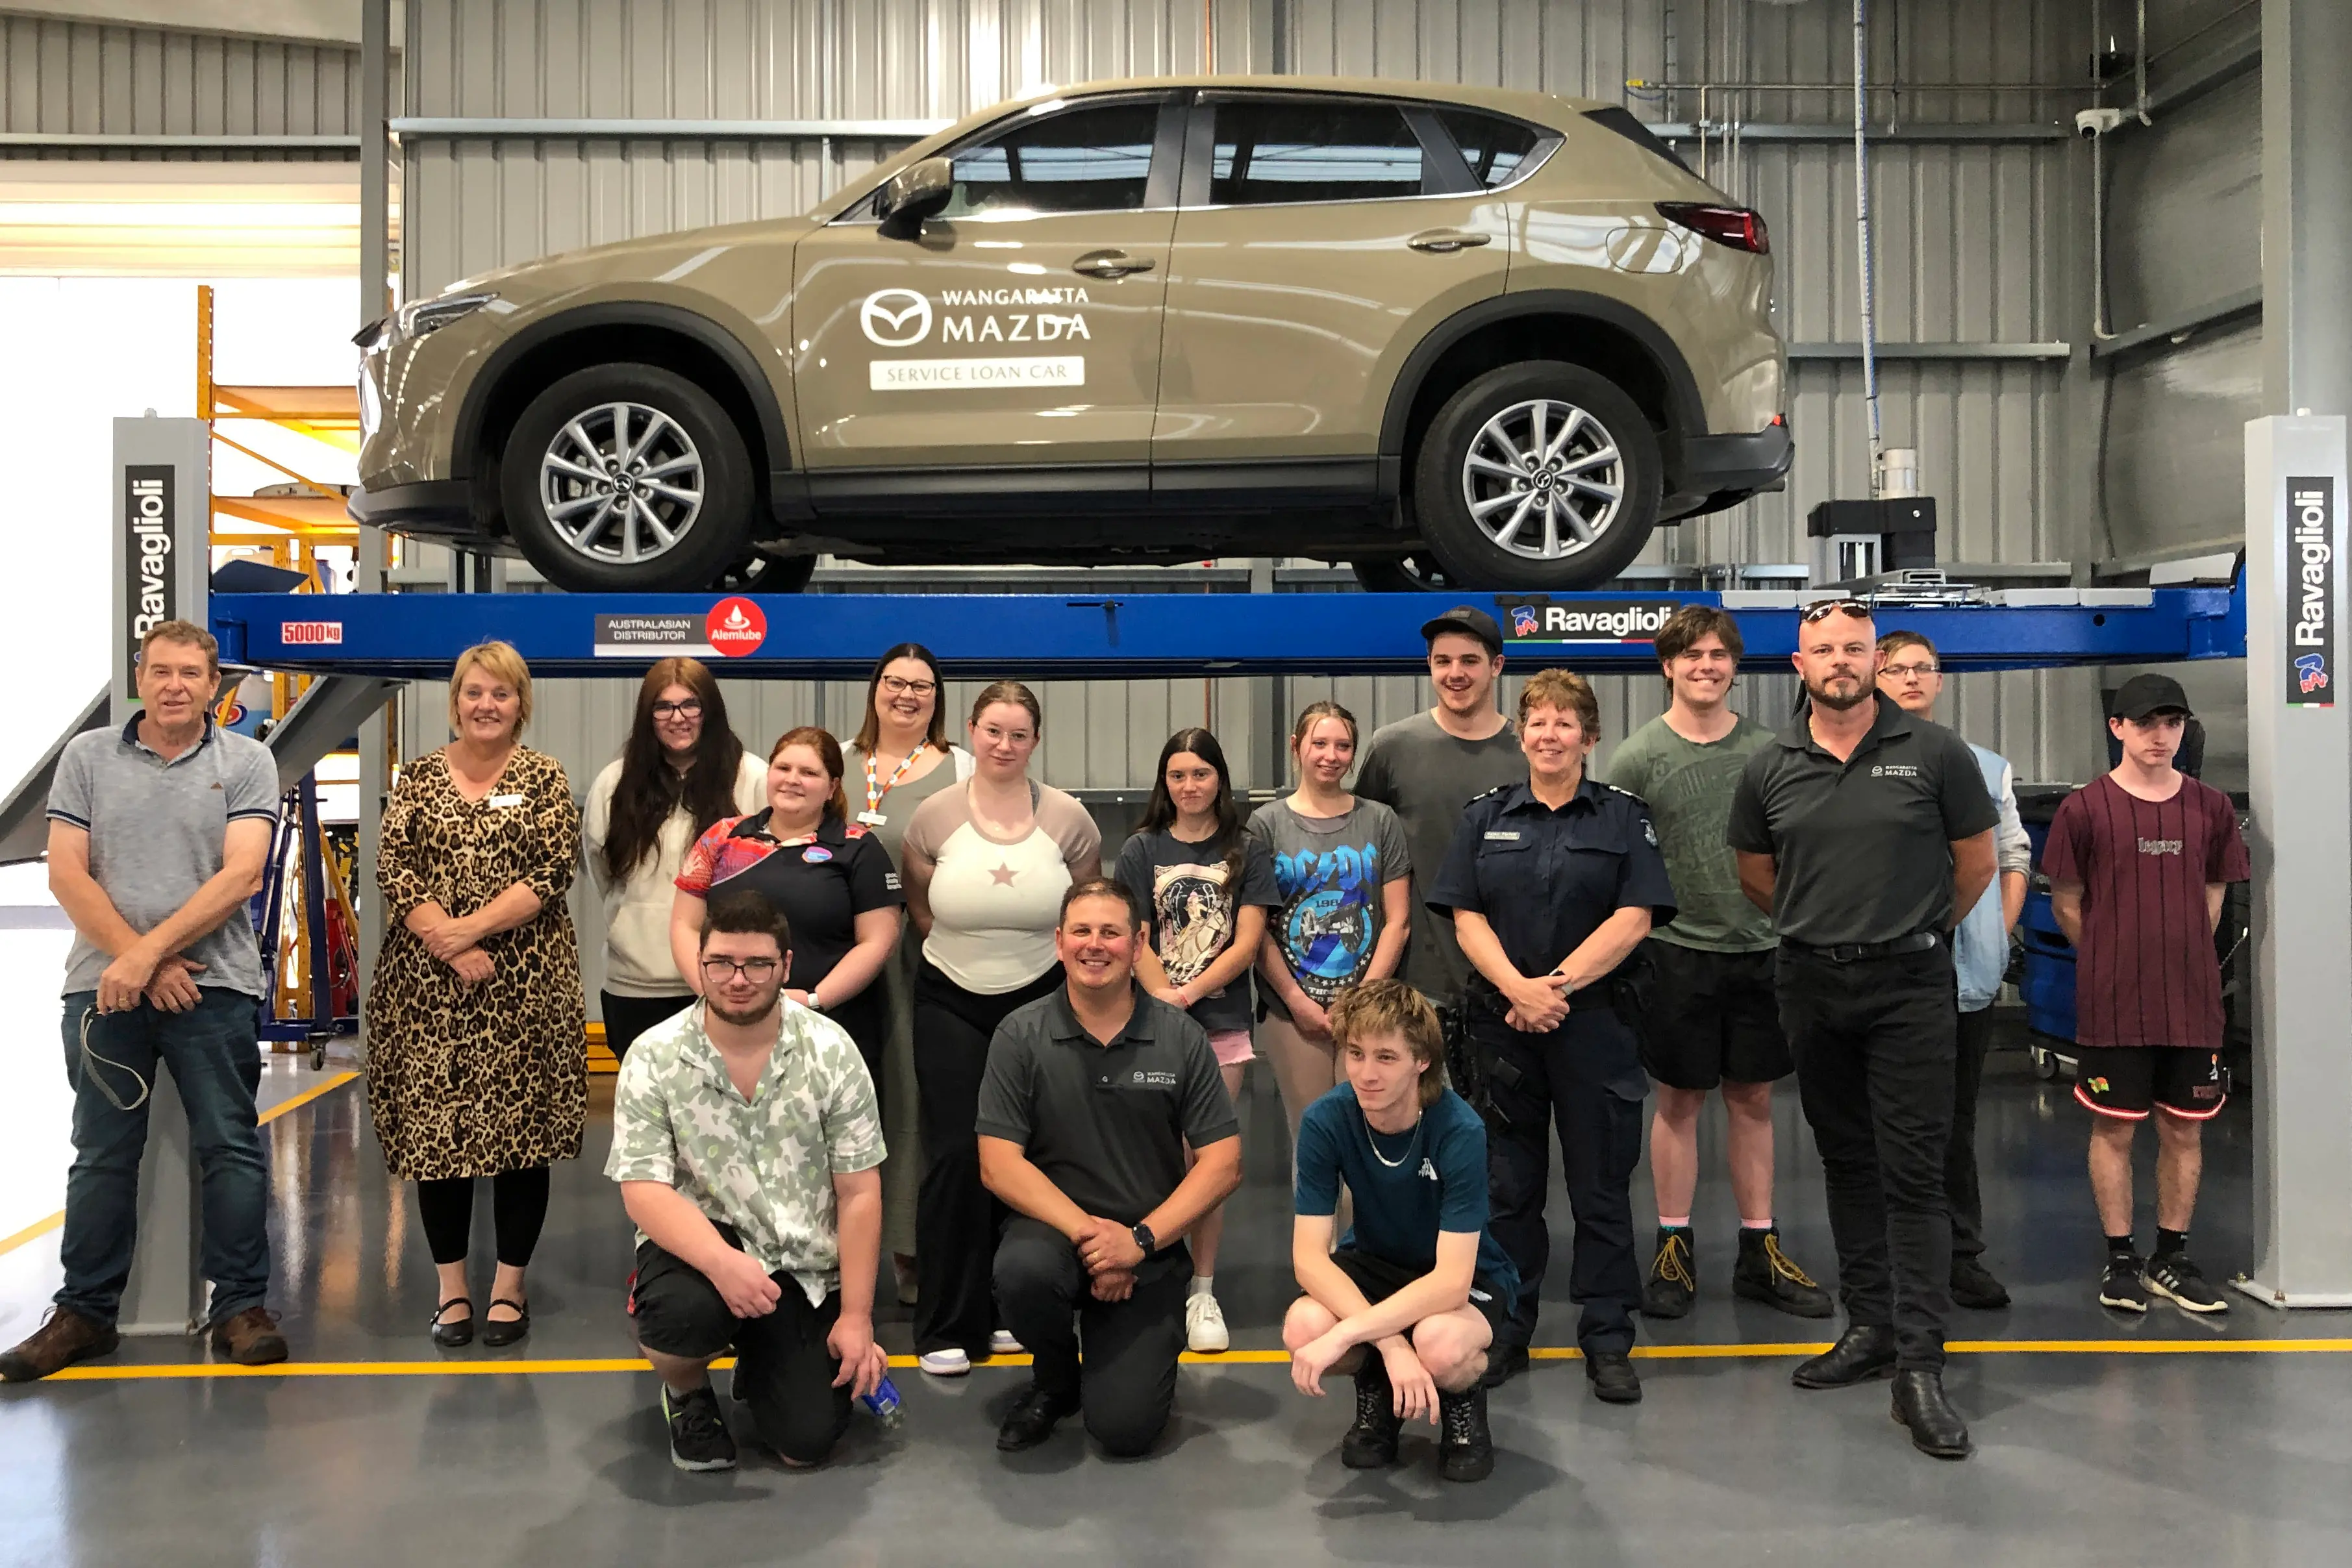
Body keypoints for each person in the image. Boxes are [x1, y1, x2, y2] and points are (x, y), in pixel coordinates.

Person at [1727, 600, 1997, 1460]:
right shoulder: (1769, 765)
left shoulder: (1935, 753)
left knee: (1914, 1172)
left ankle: (1920, 1363)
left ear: (1876, 660)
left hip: (1909, 981)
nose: (1839, 660)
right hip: (1809, 979)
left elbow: (1976, 862)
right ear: (1796, 663)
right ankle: (1871, 1325)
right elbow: (1756, 874)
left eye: (1854, 647)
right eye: (1823, 649)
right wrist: (1824, 924)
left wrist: (1908, 928)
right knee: (1845, 1159)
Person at [0, 621, 288, 1382]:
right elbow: (66, 873)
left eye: (191, 673)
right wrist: (138, 961)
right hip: (105, 993)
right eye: (160, 671)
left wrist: (142, 956)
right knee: (99, 1156)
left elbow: (241, 876)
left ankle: (240, 1308)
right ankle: (84, 1313)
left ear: (214, 685)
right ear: (140, 676)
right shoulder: (88, 758)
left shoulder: (248, 761)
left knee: (230, 1149)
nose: (174, 686)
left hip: (213, 988)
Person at [1429, 669, 1675, 1402]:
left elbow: (1635, 916)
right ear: (1520, 732)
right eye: (1537, 721)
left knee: (1601, 1187)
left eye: (1566, 723)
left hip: (1594, 1025)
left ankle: (1606, 1338)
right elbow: (1464, 914)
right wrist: (1517, 990)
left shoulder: (1623, 818)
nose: (1549, 734)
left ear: (1589, 739)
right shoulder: (1483, 817)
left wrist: (1555, 989)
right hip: (1503, 1029)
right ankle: (1507, 1330)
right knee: (1508, 1190)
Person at [609, 888, 889, 1473]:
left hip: (804, 1262)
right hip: (707, 1246)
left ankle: (764, 1361)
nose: (738, 979)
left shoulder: (832, 1051)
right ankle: (686, 1393)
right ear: (701, 964)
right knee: (681, 1315)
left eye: (758, 964)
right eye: (721, 963)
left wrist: (857, 1317)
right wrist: (719, 1261)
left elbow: (860, 1192)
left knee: (806, 1443)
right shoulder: (654, 1055)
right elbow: (643, 1187)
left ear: (785, 966)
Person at [1606, 606, 1830, 1321]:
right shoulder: (1636, 758)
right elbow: (1621, 865)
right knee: (1677, 1102)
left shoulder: (1768, 751)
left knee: (1754, 1100)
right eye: (1691, 654)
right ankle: (1673, 1247)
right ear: (1666, 666)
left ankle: (1758, 1249)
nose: (1706, 666)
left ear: (1735, 667)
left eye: (1718, 655)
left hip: (1761, 948)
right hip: (1675, 953)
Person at [368, 640, 587, 1350]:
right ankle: (452, 1289)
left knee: (523, 1140)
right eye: (473, 692)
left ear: (521, 704)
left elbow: (555, 867)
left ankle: (509, 1288)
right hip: (427, 990)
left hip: (524, 984)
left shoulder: (545, 777)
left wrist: (468, 933)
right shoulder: (418, 778)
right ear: (455, 700)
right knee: (440, 1141)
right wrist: (446, 943)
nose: (486, 705)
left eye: (501, 693)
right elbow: (393, 865)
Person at [977, 878, 1242, 1458]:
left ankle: (1119, 1358)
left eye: (1111, 932)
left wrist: (1139, 1242)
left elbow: (1223, 1164)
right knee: (1022, 1272)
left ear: (1139, 942)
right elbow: (998, 1165)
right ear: (1059, 942)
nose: (1094, 945)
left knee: (1124, 1431)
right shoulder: (1020, 1034)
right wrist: (1096, 1239)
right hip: (1053, 1233)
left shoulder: (1181, 1037)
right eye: (1081, 931)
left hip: (1151, 1243)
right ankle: (1054, 1378)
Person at [899, 681, 1102, 1377]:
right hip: (949, 1000)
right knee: (956, 1154)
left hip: (1042, 1002)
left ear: (1035, 742)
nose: (1004, 746)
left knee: (1031, 1156)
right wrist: (968, 959)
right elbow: (922, 909)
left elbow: (1086, 914)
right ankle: (948, 1321)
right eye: (992, 731)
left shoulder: (1070, 820)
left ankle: (1018, 1303)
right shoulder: (933, 816)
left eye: (1018, 735)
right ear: (971, 732)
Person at [2042, 673, 2247, 1317]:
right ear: (2117, 729)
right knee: (2115, 1130)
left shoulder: (2210, 808)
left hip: (2191, 1002)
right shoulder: (2084, 810)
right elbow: (2067, 903)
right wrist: (2112, 955)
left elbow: (2214, 894)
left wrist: (2180, 951)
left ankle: (2172, 1256)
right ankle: (2121, 1260)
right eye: (2145, 723)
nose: (2159, 736)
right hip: (2113, 1002)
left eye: (2171, 723)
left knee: (2184, 1133)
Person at [1282, 980, 1518, 1484]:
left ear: (1422, 1061)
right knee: (1303, 1325)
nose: (1366, 1074)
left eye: (1386, 1057)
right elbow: (1309, 1259)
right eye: (1356, 1053)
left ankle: (1463, 1401)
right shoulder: (1327, 1120)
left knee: (1440, 1344)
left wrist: (1351, 1330)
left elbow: (1451, 1282)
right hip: (1374, 1261)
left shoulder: (1459, 1129)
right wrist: (1389, 1346)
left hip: (1457, 1273)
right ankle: (1379, 1388)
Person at [1877, 629, 2033, 1310]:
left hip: (1961, 976)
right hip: (1881, 972)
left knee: (1953, 1122)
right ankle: (1886, 1261)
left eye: (1923, 669)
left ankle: (1960, 1255)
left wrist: (1992, 932)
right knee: (1882, 1123)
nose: (1911, 679)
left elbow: (2012, 857)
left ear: (1938, 681)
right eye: (1897, 669)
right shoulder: (1851, 763)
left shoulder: (1983, 767)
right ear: (1874, 680)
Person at [1116, 727, 1280, 1354]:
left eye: (1201, 775)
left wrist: (1187, 1000)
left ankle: (1202, 1289)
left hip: (1221, 1028)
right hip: (1148, 1024)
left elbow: (1246, 943)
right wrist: (1164, 1002)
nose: (1189, 786)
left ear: (1220, 780)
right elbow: (1137, 935)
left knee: (1204, 1160)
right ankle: (1152, 1270)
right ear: (1166, 783)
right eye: (1178, 775)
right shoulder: (1141, 849)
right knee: (1149, 1157)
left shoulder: (1245, 849)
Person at [841, 642, 975, 1304]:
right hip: (843, 957)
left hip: (927, 957)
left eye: (921, 686)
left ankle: (916, 1249)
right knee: (844, 1103)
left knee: (917, 1101)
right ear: (874, 689)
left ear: (937, 698)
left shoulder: (963, 770)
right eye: (894, 682)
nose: (906, 695)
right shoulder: (835, 763)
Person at [669, 727, 903, 1085]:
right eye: (783, 768)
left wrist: (812, 1000)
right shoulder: (722, 838)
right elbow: (685, 925)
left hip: (828, 1027)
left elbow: (877, 942)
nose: (792, 780)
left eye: (809, 773)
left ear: (833, 787)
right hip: (730, 1025)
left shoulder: (859, 848)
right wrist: (713, 995)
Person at [583, 657, 766, 1062]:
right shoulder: (614, 784)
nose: (677, 717)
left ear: (710, 711)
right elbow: (602, 873)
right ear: (647, 716)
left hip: (729, 984)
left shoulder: (753, 778)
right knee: (649, 1116)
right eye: (663, 707)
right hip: (634, 987)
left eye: (690, 705)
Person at [1247, 701, 1414, 1143]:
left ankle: (1366, 1218)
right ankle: (1315, 1220)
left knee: (1368, 1139)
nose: (1330, 755)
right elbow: (1255, 926)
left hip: (1366, 1008)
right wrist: (1296, 1000)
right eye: (1319, 743)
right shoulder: (1265, 825)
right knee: (1314, 1139)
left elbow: (1397, 920)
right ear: (1296, 747)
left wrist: (1361, 998)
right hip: (1292, 1012)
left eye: (1343, 745)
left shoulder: (1380, 820)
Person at [1354, 606, 1525, 1028]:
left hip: (1513, 979)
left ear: (1497, 666)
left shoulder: (1531, 751)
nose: (1455, 673)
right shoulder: (1392, 747)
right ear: (1429, 665)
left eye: (1470, 661)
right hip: (1417, 985)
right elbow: (1361, 850)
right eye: (1443, 661)